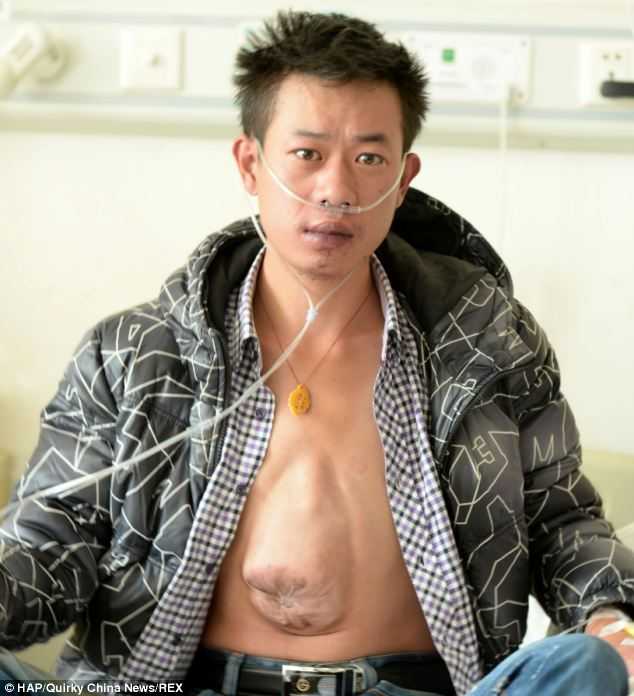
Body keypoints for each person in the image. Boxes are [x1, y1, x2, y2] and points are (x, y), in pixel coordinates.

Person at [1, 9, 633, 696]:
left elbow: (562, 522)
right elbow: (48, 543)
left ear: (403, 177)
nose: (336, 189)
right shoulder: (132, 354)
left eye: (369, 158)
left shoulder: (487, 344)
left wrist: (612, 618)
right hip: (185, 685)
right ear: (251, 164)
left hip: (414, 688)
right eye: (307, 155)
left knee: (585, 666)